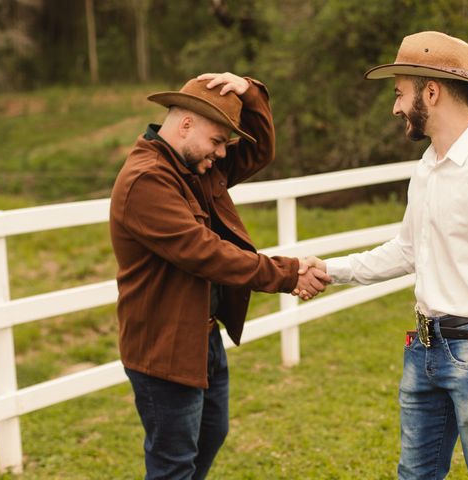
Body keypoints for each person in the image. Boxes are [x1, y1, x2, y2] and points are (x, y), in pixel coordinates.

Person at [300, 31, 468, 479]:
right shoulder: (428, 166)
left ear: (430, 92)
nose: (395, 107)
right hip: (424, 350)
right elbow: (408, 249)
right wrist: (331, 270)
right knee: (415, 475)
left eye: (400, 93)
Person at [109, 71, 330, 480]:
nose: (222, 155)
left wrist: (250, 92)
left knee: (210, 434)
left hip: (201, 337)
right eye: (217, 142)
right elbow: (205, 253)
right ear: (186, 123)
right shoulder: (148, 180)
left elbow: (259, 151)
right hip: (164, 347)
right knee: (173, 464)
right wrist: (286, 272)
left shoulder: (198, 166)